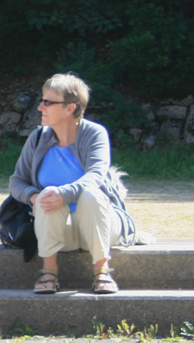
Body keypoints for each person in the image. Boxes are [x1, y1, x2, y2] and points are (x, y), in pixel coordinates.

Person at [9, 73, 134, 295]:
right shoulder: (37, 138)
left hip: (100, 229)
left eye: (48, 102)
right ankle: (49, 271)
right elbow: (17, 180)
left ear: (70, 108)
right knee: (46, 194)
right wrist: (34, 197)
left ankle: (102, 271)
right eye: (42, 100)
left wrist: (63, 194)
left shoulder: (94, 133)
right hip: (58, 232)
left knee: (91, 194)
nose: (40, 107)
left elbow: (96, 175)